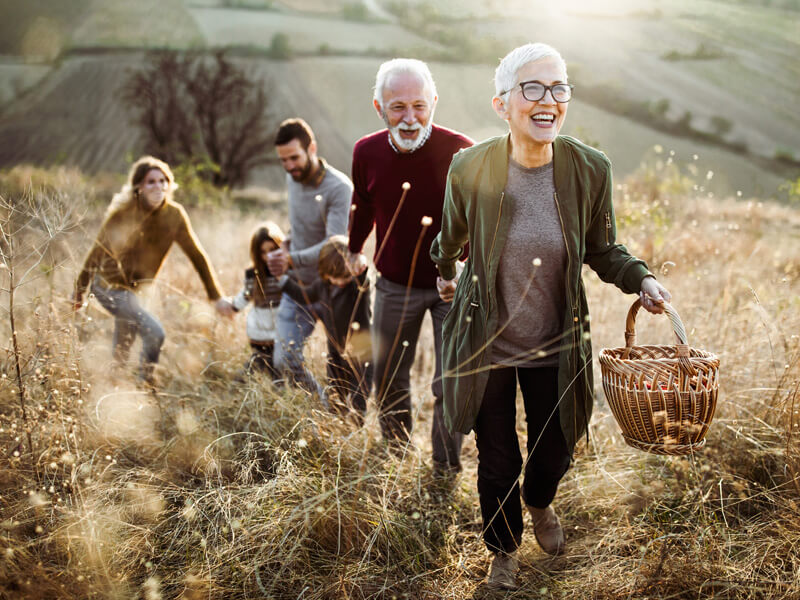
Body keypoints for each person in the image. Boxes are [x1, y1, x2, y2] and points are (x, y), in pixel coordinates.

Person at [430, 43, 672, 589]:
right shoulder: (471, 167)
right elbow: (450, 238)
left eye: (558, 87)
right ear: (502, 104)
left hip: (555, 341)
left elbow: (603, 249)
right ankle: (503, 549)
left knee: (554, 448)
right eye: (532, 88)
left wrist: (643, 279)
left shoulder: (589, 169)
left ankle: (539, 502)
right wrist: (444, 269)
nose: (548, 99)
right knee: (496, 461)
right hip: (485, 340)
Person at [348, 58, 473, 474]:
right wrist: (353, 249)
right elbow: (363, 205)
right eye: (397, 106)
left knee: (451, 381)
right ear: (378, 107)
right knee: (388, 376)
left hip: (450, 286)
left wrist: (463, 272)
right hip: (393, 285)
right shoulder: (365, 152)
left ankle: (444, 468)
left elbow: (480, 218)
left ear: (434, 102)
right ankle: (397, 455)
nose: (409, 117)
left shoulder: (461, 151)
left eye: (419, 105)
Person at [73, 155, 231, 383]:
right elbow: (96, 254)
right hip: (109, 287)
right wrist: (79, 290)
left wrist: (215, 296)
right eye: (151, 182)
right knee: (155, 332)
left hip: (137, 291)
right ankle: (146, 385)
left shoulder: (174, 216)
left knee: (123, 345)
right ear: (139, 186)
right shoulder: (123, 215)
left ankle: (113, 389)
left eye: (163, 181)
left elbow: (197, 256)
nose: (159, 186)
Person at [267, 118, 353, 401]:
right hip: (298, 288)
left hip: (332, 290)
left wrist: (290, 259)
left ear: (312, 148)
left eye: (294, 158)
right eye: (283, 161)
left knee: (344, 368)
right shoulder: (292, 179)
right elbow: (298, 224)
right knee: (283, 360)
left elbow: (334, 245)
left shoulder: (339, 188)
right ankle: (321, 406)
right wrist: (287, 245)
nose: (290, 166)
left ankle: (341, 420)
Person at [279, 235, 373, 421]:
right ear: (325, 273)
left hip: (361, 356)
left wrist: (360, 268)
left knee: (357, 399)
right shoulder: (323, 286)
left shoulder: (357, 288)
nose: (340, 282)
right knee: (335, 396)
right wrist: (283, 281)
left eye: (344, 277)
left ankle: (353, 435)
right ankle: (336, 430)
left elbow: (364, 282)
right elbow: (304, 294)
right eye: (334, 278)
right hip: (335, 354)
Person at [224, 222, 286, 378]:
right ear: (257, 254)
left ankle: (274, 390)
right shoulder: (254, 274)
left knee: (278, 366)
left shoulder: (286, 272)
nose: (268, 256)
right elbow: (245, 294)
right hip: (259, 330)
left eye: (272, 250)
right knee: (261, 362)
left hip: (280, 329)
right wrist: (233, 307)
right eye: (263, 252)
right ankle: (240, 381)